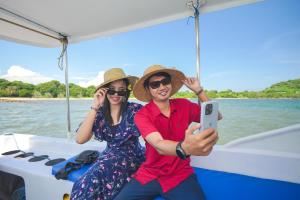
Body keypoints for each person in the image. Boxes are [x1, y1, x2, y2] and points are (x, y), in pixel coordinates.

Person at [115, 64, 219, 200]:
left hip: (180, 174)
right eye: (155, 84)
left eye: (165, 82)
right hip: (150, 173)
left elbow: (217, 116)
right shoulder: (142, 115)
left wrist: (199, 92)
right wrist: (184, 147)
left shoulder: (184, 105)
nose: (162, 87)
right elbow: (158, 144)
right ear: (148, 89)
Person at [70, 68, 145, 200]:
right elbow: (80, 139)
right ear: (104, 91)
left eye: (121, 90)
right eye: (111, 89)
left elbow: (152, 131)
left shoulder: (134, 110)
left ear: (126, 92)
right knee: (83, 183)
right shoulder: (99, 114)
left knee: (95, 178)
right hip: (108, 157)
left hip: (132, 158)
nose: (116, 93)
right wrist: (95, 106)